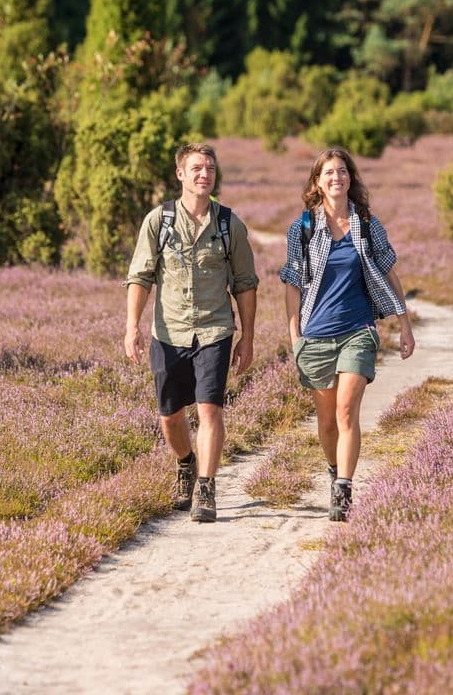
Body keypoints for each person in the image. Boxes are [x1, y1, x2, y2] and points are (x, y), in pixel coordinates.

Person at [125, 143, 259, 523]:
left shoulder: (228, 224)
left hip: (215, 330)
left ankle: (206, 486)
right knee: (170, 415)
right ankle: (186, 463)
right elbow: (140, 276)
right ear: (181, 174)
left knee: (210, 408)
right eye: (197, 168)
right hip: (169, 332)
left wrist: (247, 337)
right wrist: (132, 326)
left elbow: (246, 284)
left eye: (211, 168)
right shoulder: (158, 221)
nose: (205, 174)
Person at [279, 147, 415, 521]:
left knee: (346, 411)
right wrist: (295, 336)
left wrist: (404, 324)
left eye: (342, 172)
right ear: (317, 183)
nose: (336, 178)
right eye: (329, 173)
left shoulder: (368, 224)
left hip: (358, 330)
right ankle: (333, 469)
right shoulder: (302, 228)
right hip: (316, 334)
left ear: (350, 179)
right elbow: (291, 284)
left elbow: (389, 273)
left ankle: (344, 487)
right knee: (326, 424)